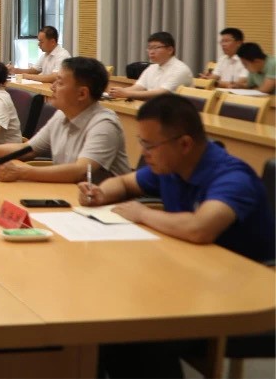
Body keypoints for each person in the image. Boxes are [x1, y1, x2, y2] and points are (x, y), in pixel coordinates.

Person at [81, 94, 276, 379]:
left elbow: (200, 228)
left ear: (184, 143)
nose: (144, 153)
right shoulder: (170, 166)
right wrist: (100, 194)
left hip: (243, 295)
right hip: (190, 276)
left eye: (149, 145)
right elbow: (123, 182)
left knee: (131, 335)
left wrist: (142, 213)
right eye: (141, 143)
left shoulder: (233, 177)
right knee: (103, 312)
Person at [0, 56, 130, 183]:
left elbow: (81, 171)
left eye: (60, 82)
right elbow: (27, 150)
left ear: (82, 93)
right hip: (68, 195)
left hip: (106, 208)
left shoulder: (104, 124)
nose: (52, 87)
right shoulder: (61, 115)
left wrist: (23, 172)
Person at [109, 31, 193, 100]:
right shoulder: (152, 67)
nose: (151, 52)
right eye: (149, 48)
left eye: (156, 48)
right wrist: (117, 92)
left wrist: (126, 93)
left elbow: (161, 93)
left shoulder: (180, 70)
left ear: (170, 50)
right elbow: (139, 87)